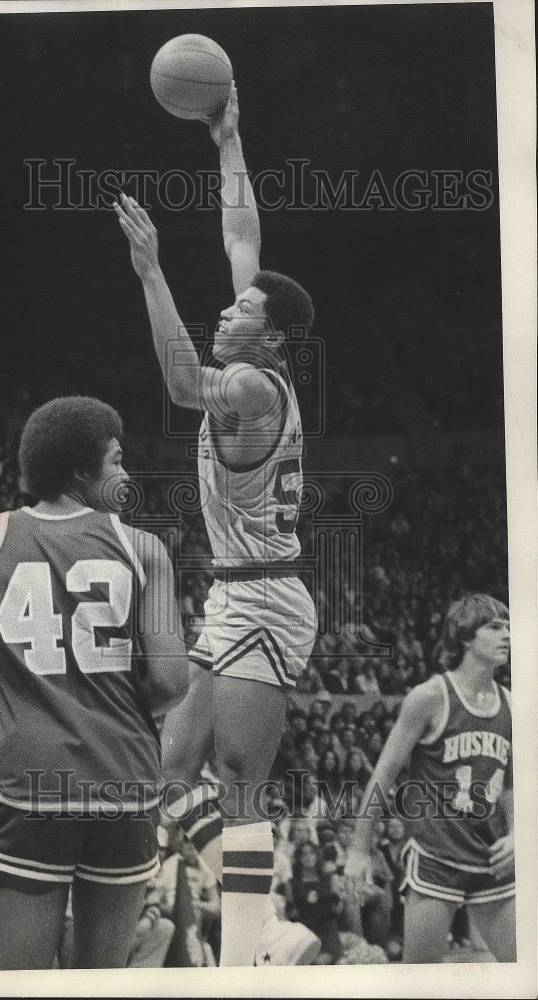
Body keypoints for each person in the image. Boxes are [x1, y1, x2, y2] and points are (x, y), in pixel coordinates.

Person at [115, 84, 317, 965]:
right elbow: (245, 240)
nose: (229, 310)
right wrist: (229, 142)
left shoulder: (241, 383)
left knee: (239, 781)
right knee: (168, 774)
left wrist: (152, 270)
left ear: (271, 340)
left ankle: (252, 944)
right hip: (238, 593)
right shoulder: (256, 349)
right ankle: (255, 931)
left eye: (243, 313)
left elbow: (179, 386)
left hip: (266, 597)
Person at [0, 396, 188, 969]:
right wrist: (118, 705)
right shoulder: (146, 550)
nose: (126, 473)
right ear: (82, 472)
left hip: (31, 782)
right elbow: (172, 680)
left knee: (10, 986)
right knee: (102, 984)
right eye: (116, 460)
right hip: (125, 785)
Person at [346, 594, 515, 962]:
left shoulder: (511, 703)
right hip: (436, 857)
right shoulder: (430, 697)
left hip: (491, 855)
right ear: (466, 638)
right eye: (495, 626)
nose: (507, 634)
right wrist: (359, 848)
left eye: (508, 626)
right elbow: (383, 775)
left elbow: (512, 783)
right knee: (421, 978)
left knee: (524, 968)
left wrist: (519, 834)